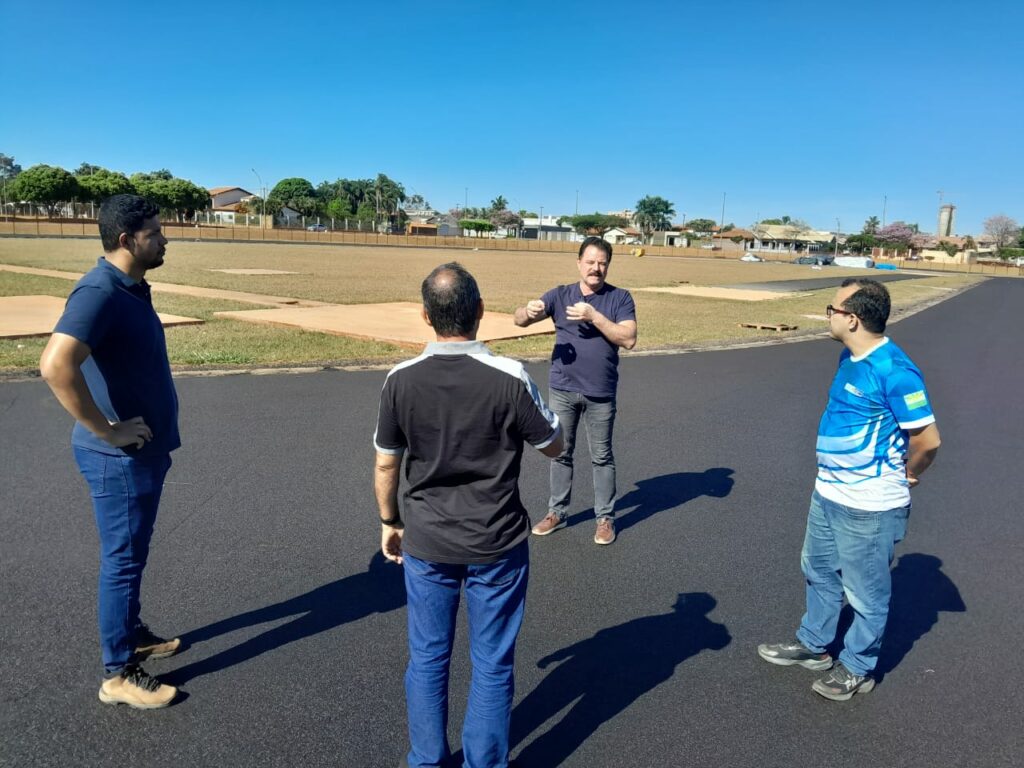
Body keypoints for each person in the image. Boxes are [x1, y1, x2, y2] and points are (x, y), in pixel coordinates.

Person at [374, 263, 563, 768]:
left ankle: (426, 759)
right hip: (496, 543)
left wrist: (390, 521)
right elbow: (553, 444)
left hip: (428, 540)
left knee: (429, 658)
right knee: (492, 662)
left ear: (424, 316)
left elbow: (386, 462)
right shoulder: (510, 377)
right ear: (480, 312)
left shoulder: (400, 379)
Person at [758, 278, 941, 701]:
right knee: (818, 570)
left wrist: (910, 474)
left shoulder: (896, 371)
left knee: (866, 592)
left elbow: (928, 440)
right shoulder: (849, 356)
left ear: (853, 319)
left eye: (832, 308)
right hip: (829, 493)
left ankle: (858, 666)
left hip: (870, 505)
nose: (828, 315)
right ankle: (814, 645)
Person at [39, 194, 182, 710]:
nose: (166, 239)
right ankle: (118, 674)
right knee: (121, 561)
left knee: (133, 555)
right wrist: (108, 431)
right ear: (127, 240)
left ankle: (132, 633)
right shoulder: (98, 291)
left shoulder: (131, 287)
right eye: (156, 232)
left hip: (144, 452)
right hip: (119, 459)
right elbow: (56, 365)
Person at [513, 236, 637, 545]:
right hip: (563, 389)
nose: (596, 268)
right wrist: (528, 311)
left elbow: (629, 338)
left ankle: (605, 518)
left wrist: (594, 316)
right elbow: (519, 321)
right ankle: (557, 512)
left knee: (602, 456)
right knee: (560, 453)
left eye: (603, 263)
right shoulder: (560, 294)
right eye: (591, 262)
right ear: (579, 263)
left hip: (600, 392)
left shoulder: (620, 298)